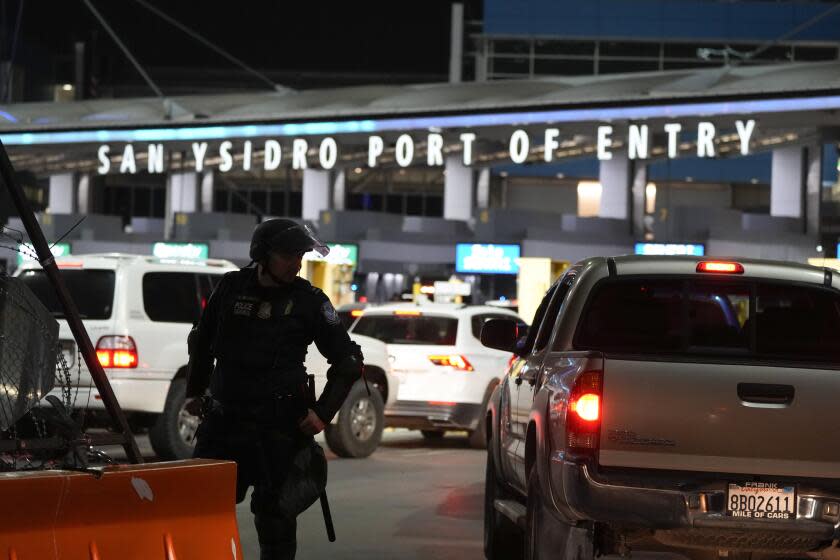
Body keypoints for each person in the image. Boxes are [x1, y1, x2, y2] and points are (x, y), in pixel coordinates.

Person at [184, 218, 363, 560]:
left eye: (300, 255)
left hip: (279, 430)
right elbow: (202, 342)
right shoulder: (230, 287)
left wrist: (323, 413)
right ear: (263, 255)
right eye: (288, 255)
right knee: (203, 513)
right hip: (224, 424)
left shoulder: (310, 300)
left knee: (275, 523)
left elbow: (348, 362)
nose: (296, 263)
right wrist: (195, 393)